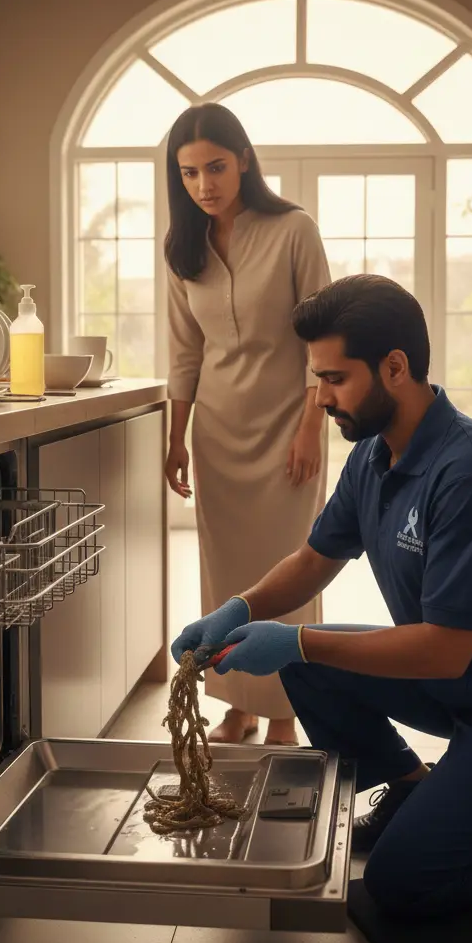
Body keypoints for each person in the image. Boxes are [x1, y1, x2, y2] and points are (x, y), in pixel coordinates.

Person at [171, 273, 472, 918]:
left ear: (395, 368)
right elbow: (315, 559)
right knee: (305, 661)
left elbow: (445, 651)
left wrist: (295, 637)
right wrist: (239, 610)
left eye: (334, 378)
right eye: (317, 378)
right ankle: (413, 787)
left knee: (400, 882)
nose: (319, 398)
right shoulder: (374, 452)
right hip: (457, 684)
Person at [164, 103, 331, 747]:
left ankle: (286, 711)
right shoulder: (181, 247)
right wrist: (175, 436)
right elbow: (185, 351)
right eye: (189, 173)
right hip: (218, 433)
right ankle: (235, 705)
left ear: (244, 161)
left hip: (289, 427)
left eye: (215, 167)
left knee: (290, 571)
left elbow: (323, 340)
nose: (204, 184)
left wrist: (312, 427)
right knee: (227, 575)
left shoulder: (294, 230)